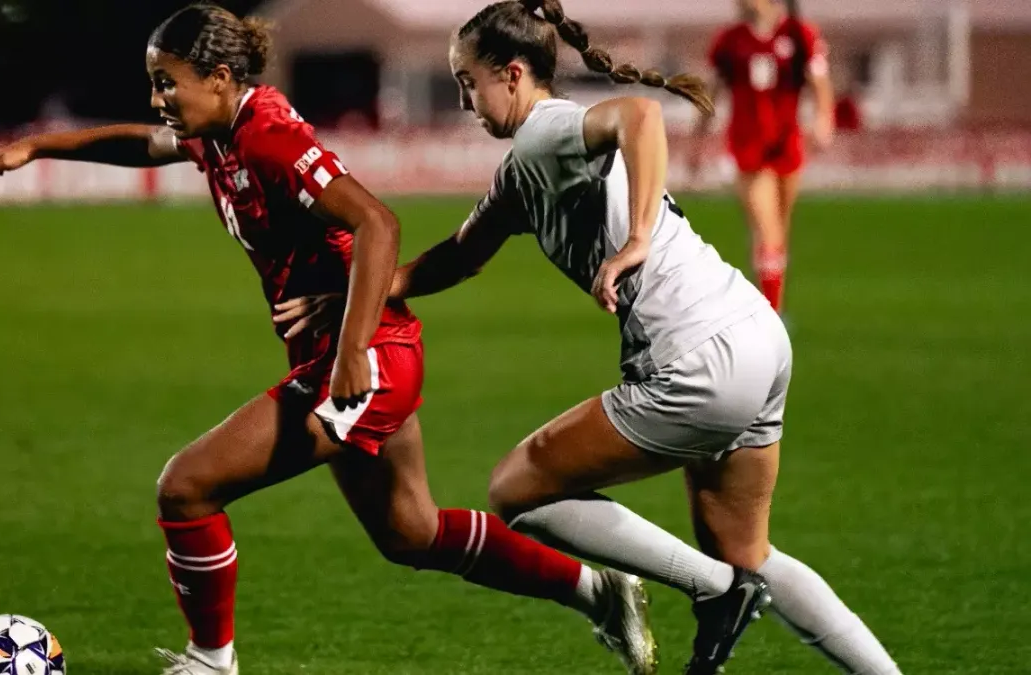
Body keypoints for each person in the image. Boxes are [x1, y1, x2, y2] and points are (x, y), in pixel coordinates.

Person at [0, 4, 656, 675]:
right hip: (362, 351)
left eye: (166, 81)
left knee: (187, 486)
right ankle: (598, 591)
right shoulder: (219, 129)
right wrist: (35, 146)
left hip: (367, 357)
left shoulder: (267, 136)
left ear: (221, 78)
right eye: (154, 81)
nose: (158, 96)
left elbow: (377, 224)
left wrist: (352, 353)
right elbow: (142, 144)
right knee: (409, 532)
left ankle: (210, 661)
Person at [277, 1, 901, 673]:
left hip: (695, 356)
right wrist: (355, 296)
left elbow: (642, 116)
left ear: (513, 74)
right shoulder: (523, 172)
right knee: (748, 549)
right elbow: (458, 256)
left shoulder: (545, 133)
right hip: (755, 336)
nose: (464, 101)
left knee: (518, 488)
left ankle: (716, 593)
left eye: (468, 83)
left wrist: (635, 239)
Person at [692, 0, 835, 313]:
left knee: (777, 234)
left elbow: (819, 83)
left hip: (787, 145)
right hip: (748, 147)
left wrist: (824, 118)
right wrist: (698, 141)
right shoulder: (729, 41)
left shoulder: (799, 35)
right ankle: (772, 315)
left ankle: (770, 302)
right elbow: (710, 93)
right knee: (768, 231)